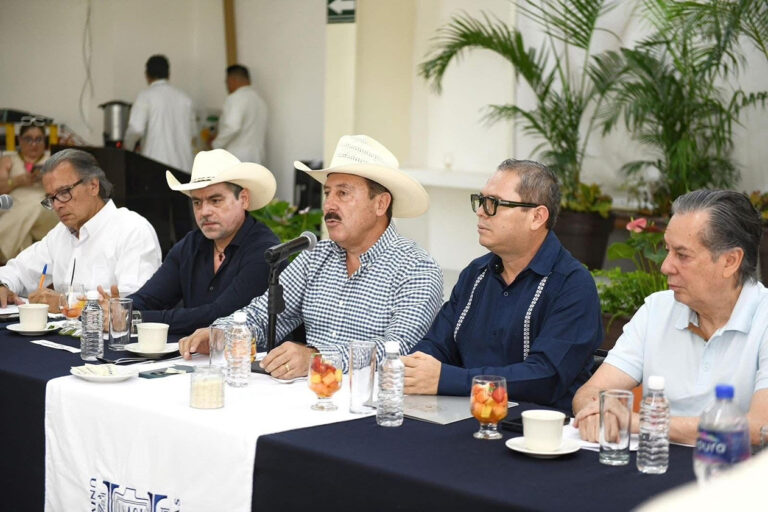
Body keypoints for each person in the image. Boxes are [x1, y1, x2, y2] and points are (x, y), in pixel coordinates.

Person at [179, 135, 443, 379]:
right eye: (328, 193)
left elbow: (398, 350)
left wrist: (318, 359)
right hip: (307, 399)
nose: (329, 205)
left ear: (380, 204)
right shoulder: (315, 256)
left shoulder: (416, 268)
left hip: (372, 405)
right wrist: (219, 334)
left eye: (343, 193)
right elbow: (261, 316)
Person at [573, 190, 768, 445]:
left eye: (682, 255)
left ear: (730, 261)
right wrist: (596, 412)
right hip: (654, 462)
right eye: (667, 250)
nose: (665, 266)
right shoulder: (657, 308)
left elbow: (760, 427)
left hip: (733, 468)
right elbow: (591, 391)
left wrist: (640, 423)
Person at [403, 160, 603, 409]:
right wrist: (416, 369)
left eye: (494, 203)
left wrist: (447, 379)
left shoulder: (572, 285)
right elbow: (437, 344)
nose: (481, 211)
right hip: (460, 413)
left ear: (537, 217)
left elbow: (544, 377)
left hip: (531, 424)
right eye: (481, 200)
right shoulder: (476, 274)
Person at [97, 149, 279, 334]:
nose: (204, 211)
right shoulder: (191, 244)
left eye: (215, 200)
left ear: (244, 199)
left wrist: (132, 319)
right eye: (197, 202)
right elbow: (151, 297)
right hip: (188, 350)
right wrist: (119, 310)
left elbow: (220, 316)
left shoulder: (265, 250)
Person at [0, 149, 161, 309]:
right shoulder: (60, 233)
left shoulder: (132, 229)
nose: (57, 205)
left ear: (93, 186)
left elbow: (136, 301)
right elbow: (19, 270)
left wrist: (66, 303)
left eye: (64, 192)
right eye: (51, 198)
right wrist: (3, 285)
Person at [124, 54, 195, 172]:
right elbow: (193, 134)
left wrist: (127, 147)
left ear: (147, 75)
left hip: (156, 166)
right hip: (184, 167)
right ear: (169, 74)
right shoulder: (185, 99)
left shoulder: (145, 96)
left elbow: (136, 129)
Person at [0, 121, 59, 262]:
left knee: (35, 205)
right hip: (16, 211)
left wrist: (48, 181)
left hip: (46, 211)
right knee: (23, 232)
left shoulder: (53, 161)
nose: (34, 144)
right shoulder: (9, 160)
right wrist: (17, 181)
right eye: (28, 139)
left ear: (44, 141)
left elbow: (65, 190)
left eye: (38, 139)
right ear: (20, 140)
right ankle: (19, 270)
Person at [211, 64, 267, 164]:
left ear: (232, 80)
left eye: (227, 82)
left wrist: (216, 144)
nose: (227, 86)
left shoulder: (235, 98)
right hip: (257, 157)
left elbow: (232, 127)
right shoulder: (260, 100)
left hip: (237, 157)